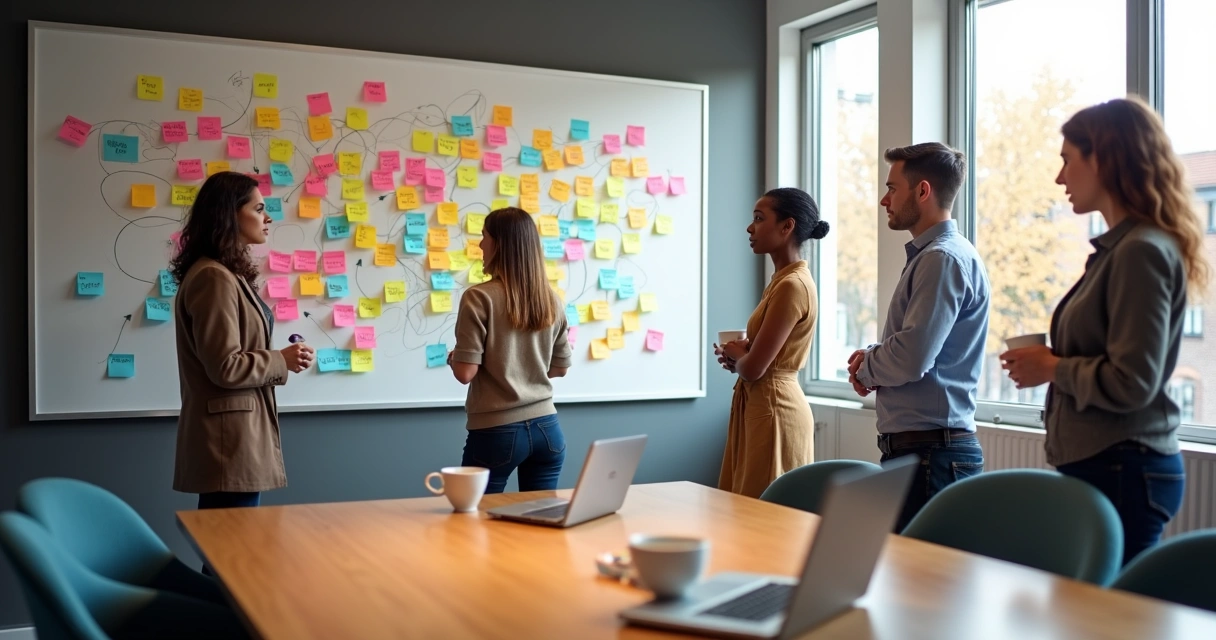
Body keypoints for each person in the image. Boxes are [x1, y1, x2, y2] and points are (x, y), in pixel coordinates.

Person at [1001, 97, 1208, 565]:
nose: (1060, 178)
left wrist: (1052, 366)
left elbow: (1133, 381)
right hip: (1115, 466)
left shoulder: (1140, 251)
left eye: (1067, 161)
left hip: (1124, 468)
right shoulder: (1124, 249)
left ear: (1103, 159)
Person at [847, 143, 990, 532]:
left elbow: (912, 357)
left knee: (924, 587)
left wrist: (868, 367)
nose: (883, 199)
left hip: (933, 454)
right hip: (927, 452)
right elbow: (917, 346)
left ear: (922, 191)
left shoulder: (940, 259)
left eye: (892, 188)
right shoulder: (937, 257)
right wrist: (874, 358)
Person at [170, 171, 314, 523]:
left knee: (230, 553)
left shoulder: (223, 274)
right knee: (230, 557)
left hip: (235, 437)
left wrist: (282, 360)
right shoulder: (212, 277)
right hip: (228, 440)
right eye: (259, 208)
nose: (268, 218)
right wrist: (280, 360)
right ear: (229, 214)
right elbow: (225, 366)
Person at [449, 207, 572, 494]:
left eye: (484, 237)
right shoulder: (551, 300)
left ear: (499, 244)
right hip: (548, 430)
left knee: (474, 522)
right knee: (539, 524)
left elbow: (465, 373)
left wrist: (454, 358)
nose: (480, 245)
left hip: (497, 432)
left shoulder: (478, 297)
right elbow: (559, 368)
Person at [715, 188, 828, 498]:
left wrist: (741, 358)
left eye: (759, 219)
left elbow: (753, 369)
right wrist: (738, 356)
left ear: (786, 226)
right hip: (763, 404)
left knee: (762, 515)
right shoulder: (781, 280)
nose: (750, 228)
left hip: (775, 409)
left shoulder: (792, 285)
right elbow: (756, 361)